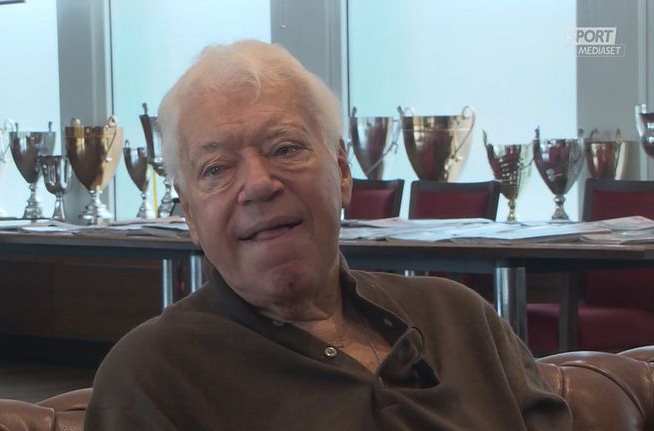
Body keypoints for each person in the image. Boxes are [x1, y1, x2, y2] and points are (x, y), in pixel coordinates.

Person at [84, 40, 571, 430]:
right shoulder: (151, 376)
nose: (258, 184)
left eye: (285, 148)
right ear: (190, 213)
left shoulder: (460, 320)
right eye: (216, 168)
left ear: (341, 171)